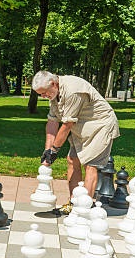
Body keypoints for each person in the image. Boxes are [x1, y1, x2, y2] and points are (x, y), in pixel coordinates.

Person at [32, 70, 120, 206]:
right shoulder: (54, 94)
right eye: (40, 94)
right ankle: (73, 202)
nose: (43, 96)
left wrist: (55, 150)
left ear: (54, 84)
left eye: (44, 92)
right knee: (72, 160)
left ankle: (83, 208)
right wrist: (47, 151)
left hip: (100, 125)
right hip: (82, 128)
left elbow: (67, 125)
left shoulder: (72, 91)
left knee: (91, 165)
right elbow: (52, 122)